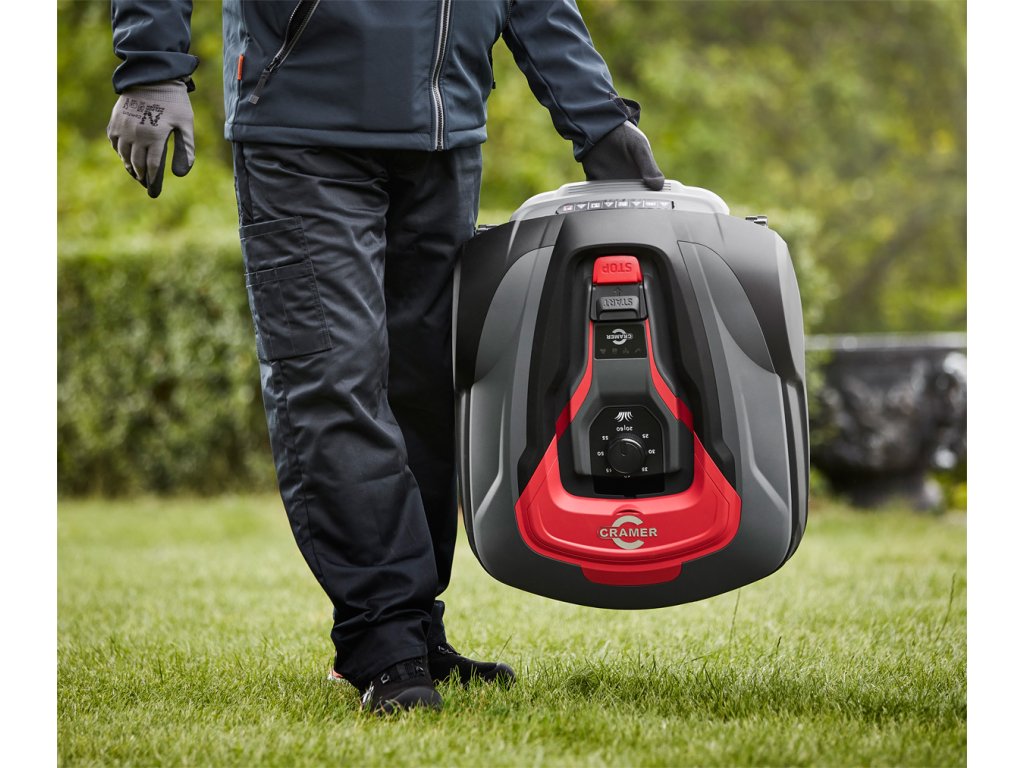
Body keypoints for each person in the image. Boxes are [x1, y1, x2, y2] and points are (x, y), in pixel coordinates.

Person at [107, 0, 664, 714]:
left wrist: (597, 116)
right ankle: (382, 638)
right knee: (332, 380)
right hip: (302, 123)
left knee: (428, 389)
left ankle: (415, 626)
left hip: (444, 128)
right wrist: (151, 69)